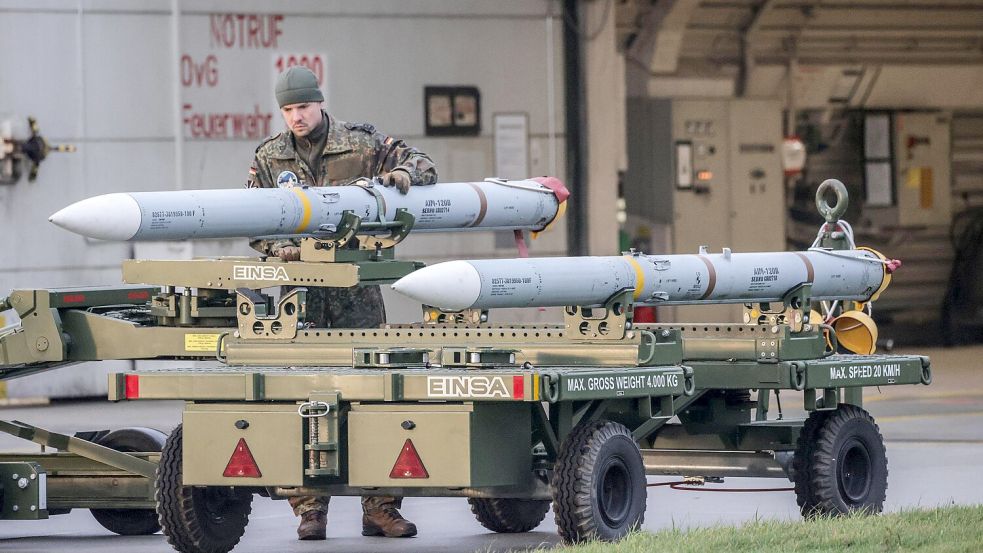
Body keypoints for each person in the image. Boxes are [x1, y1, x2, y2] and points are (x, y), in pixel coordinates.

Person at [247, 66, 437, 541]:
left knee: (375, 394)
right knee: (303, 399)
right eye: (288, 109)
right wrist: (281, 251)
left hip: (357, 292)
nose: (296, 117)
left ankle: (380, 508)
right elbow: (254, 222)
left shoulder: (361, 145)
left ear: (319, 103)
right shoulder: (269, 157)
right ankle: (310, 511)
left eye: (302, 107)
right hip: (301, 295)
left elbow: (424, 164)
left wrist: (399, 175)